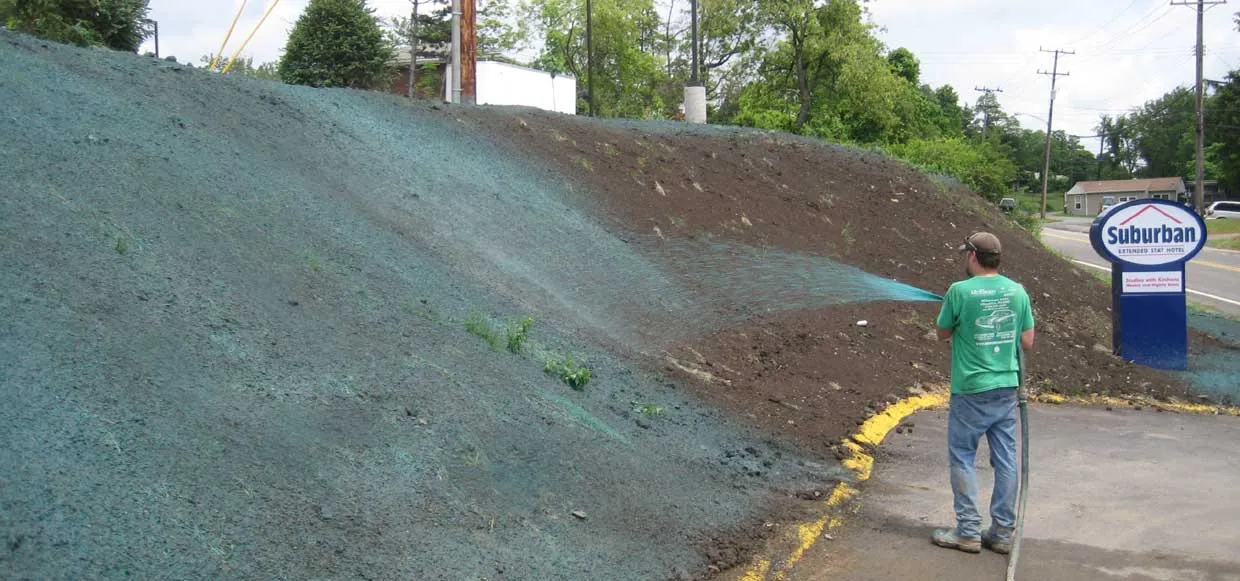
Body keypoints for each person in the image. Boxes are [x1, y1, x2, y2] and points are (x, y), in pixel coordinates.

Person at [931, 232, 1035, 555]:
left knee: (962, 456)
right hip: (1006, 389)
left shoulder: (959, 291)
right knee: (1006, 460)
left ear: (974, 256)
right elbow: (1028, 342)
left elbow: (942, 332)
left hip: (971, 389)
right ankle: (1002, 533)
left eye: (967, 254)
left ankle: (968, 531)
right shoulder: (1017, 292)